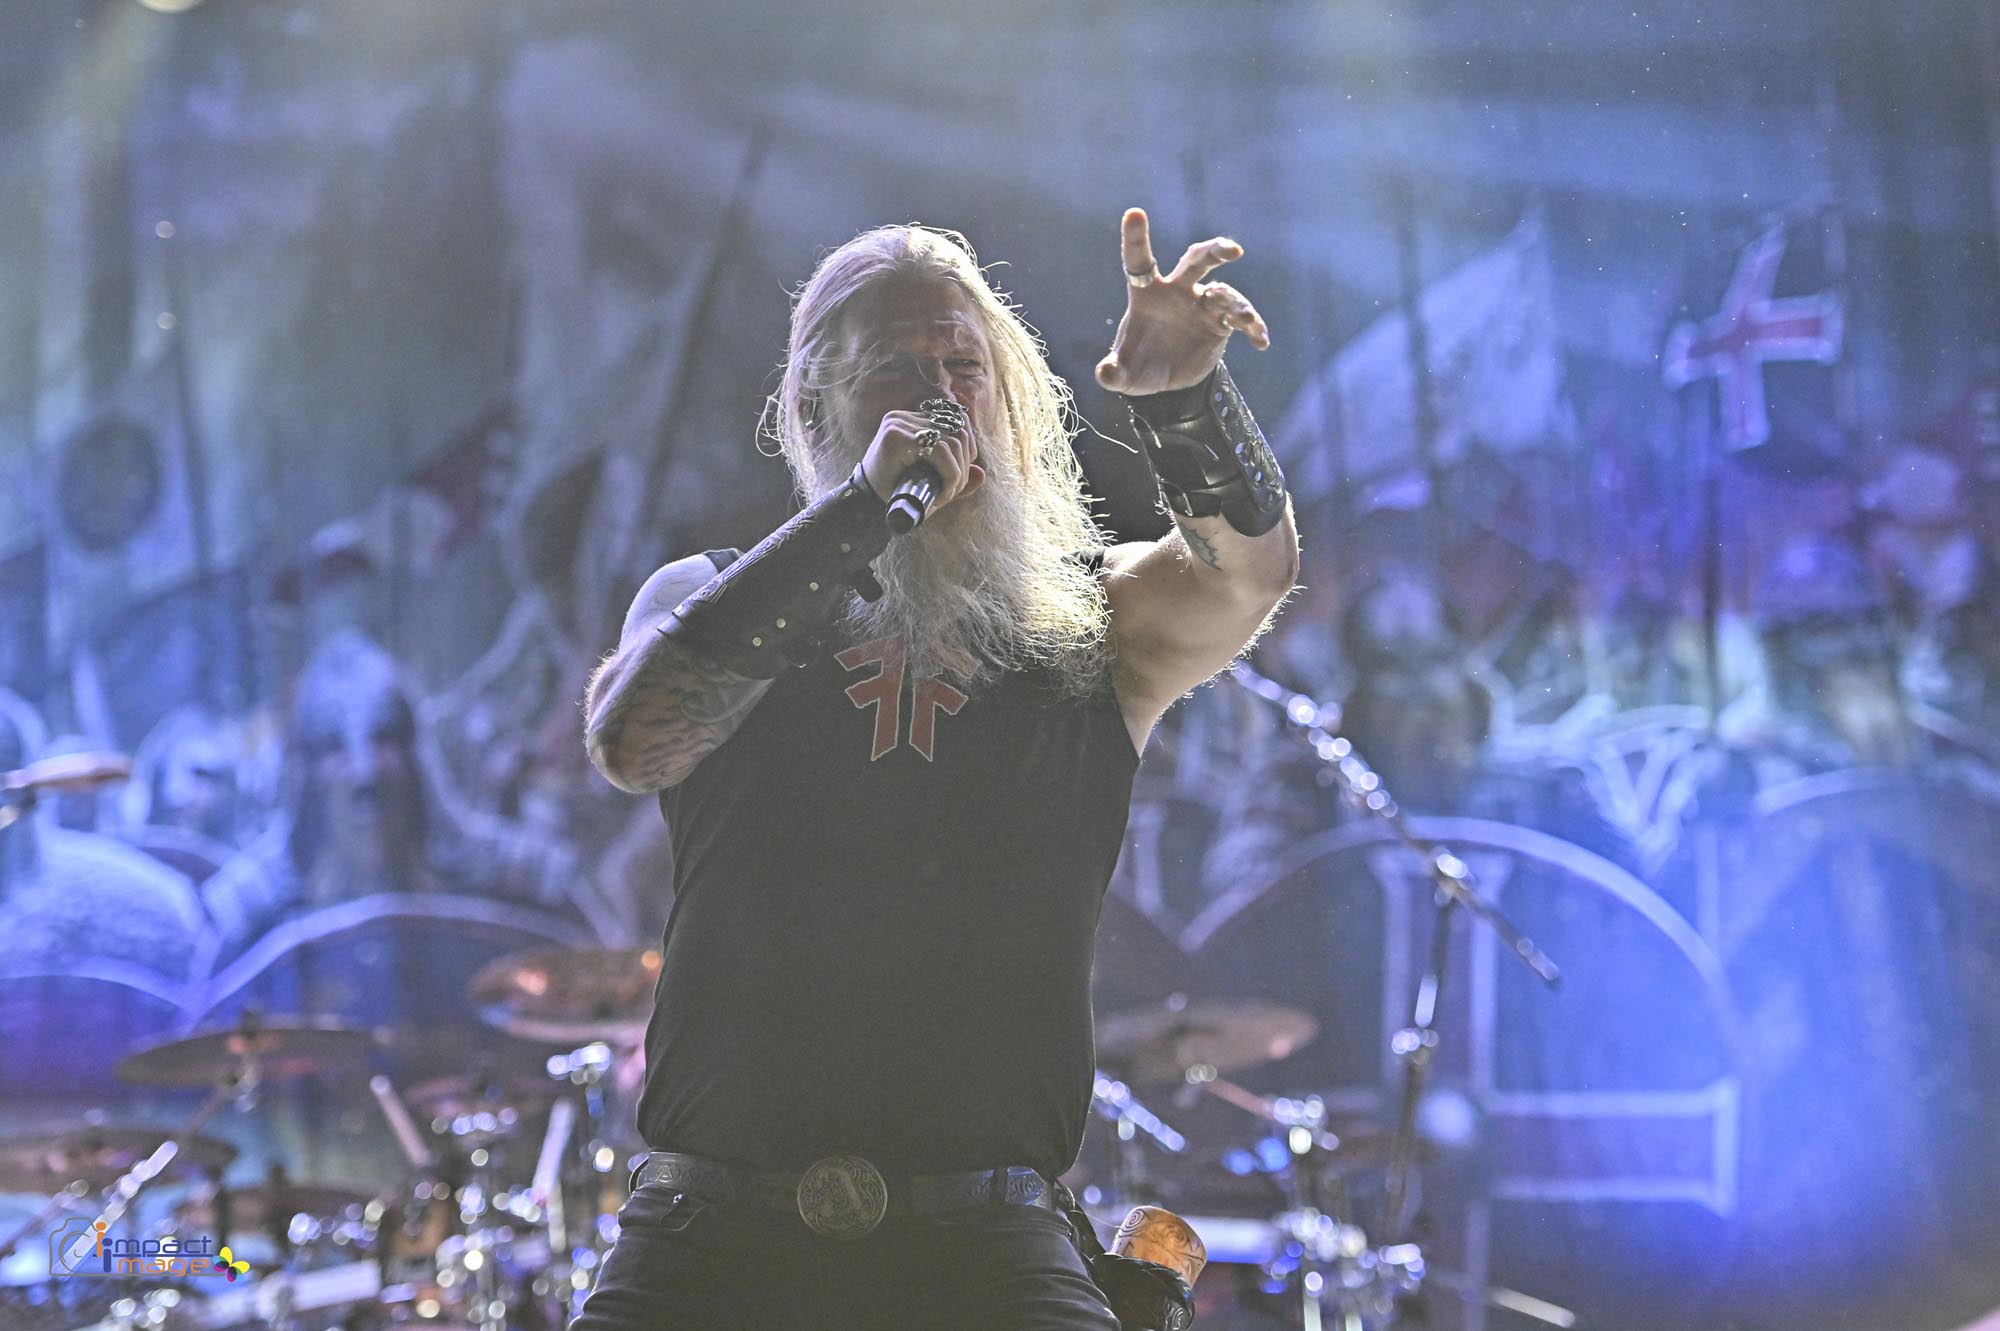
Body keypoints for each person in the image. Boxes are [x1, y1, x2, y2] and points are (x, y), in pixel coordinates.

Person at [578, 209, 1297, 1330]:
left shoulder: (1093, 621)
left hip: (992, 1245)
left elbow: (1246, 578)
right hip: (707, 1235)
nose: (941, 397)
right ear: (817, 404)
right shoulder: (703, 593)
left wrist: (1183, 402)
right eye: (897, 368)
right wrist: (863, 513)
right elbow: (635, 741)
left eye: (966, 366)